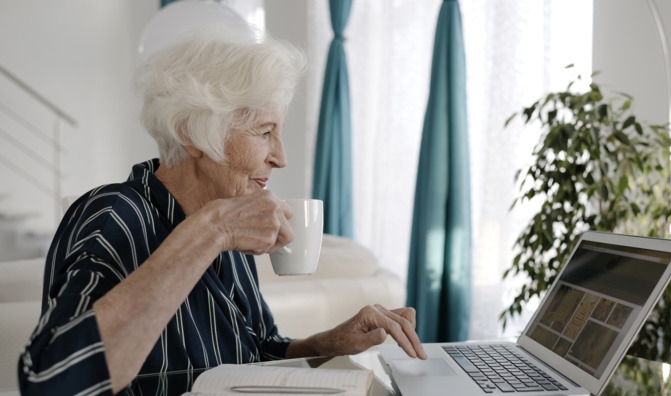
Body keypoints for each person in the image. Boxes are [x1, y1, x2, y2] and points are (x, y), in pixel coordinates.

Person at [17, 24, 426, 396]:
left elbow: (256, 355)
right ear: (192, 134)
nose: (281, 157)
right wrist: (211, 231)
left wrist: (329, 343)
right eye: (265, 132)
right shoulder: (114, 215)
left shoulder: (229, 219)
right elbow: (53, 381)